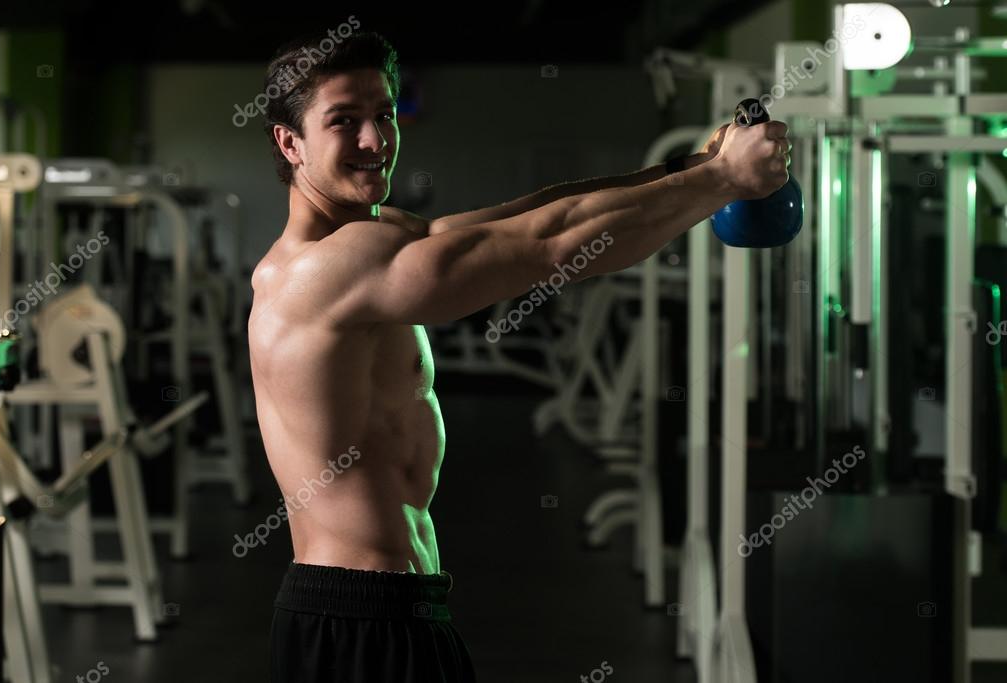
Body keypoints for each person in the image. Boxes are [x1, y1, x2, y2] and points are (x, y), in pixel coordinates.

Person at [249, 30, 790, 683]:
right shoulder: (324, 270)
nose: (375, 139)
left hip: (391, 608)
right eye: (344, 121)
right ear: (289, 142)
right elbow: (547, 248)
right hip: (360, 624)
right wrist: (721, 179)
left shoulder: (374, 235)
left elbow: (526, 216)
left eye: (384, 114)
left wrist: (682, 171)